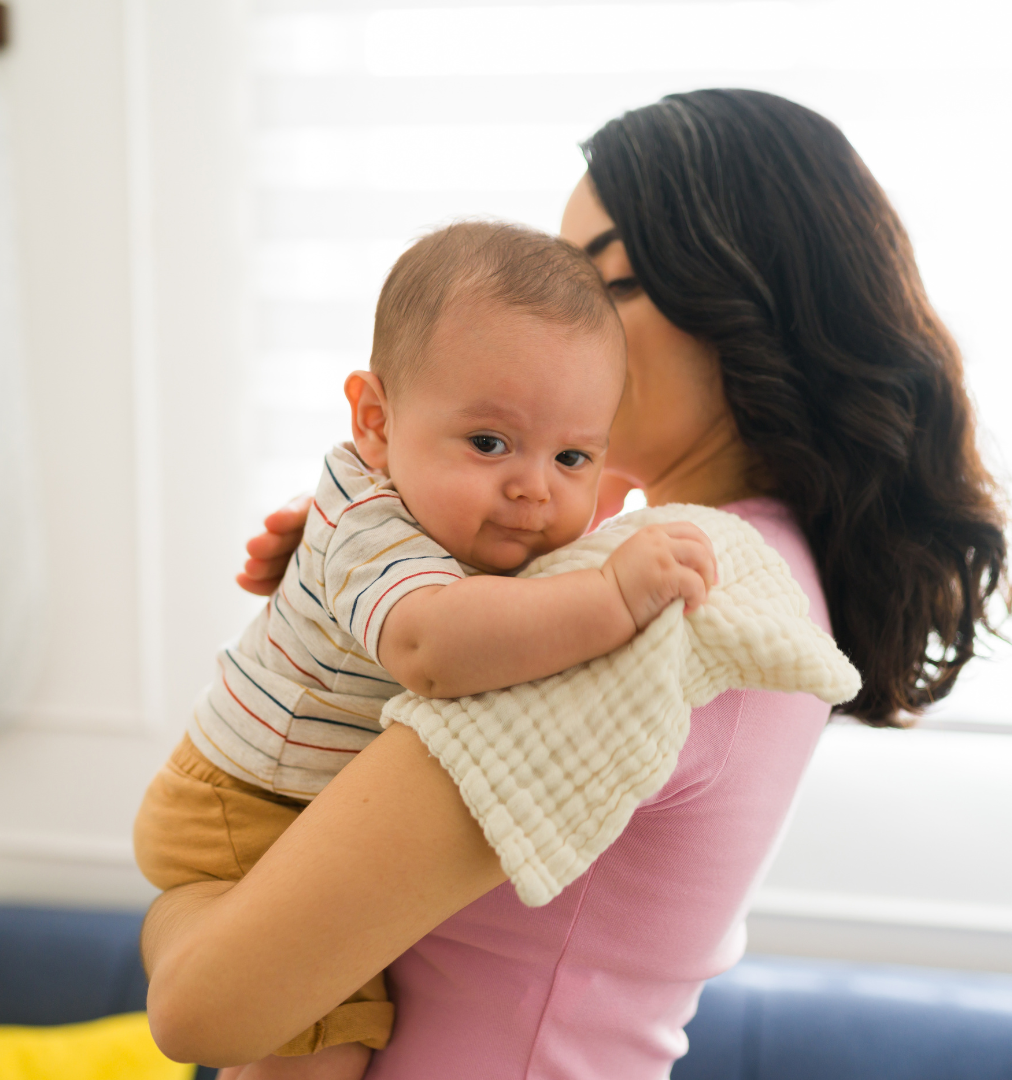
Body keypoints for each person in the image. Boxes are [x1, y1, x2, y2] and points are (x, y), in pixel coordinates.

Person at [142, 90, 1008, 1080]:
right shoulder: (750, 572)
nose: (556, 322)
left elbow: (205, 1007)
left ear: (736, 301)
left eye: (601, 283)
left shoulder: (651, 594)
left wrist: (176, 909)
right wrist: (368, 552)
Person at [133, 221, 718, 1080]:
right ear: (375, 420)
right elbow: (430, 647)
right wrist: (613, 595)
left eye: (572, 456)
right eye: (489, 443)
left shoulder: (470, 520)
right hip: (249, 809)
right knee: (328, 1051)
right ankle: (185, 915)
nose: (532, 487)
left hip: (296, 806)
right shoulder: (375, 528)